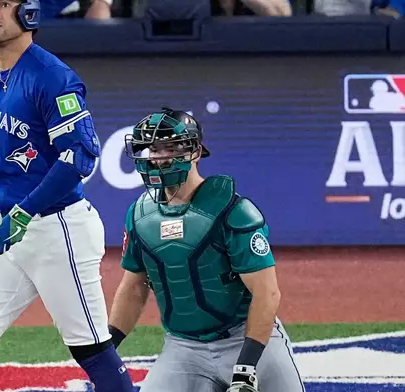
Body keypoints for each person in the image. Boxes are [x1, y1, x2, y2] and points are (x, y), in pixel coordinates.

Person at [0, 1, 134, 391]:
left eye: (4, 4)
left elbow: (80, 156)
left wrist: (25, 212)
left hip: (59, 230)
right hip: (10, 234)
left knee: (90, 348)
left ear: (30, 13)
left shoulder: (52, 76)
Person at [107, 107, 305, 392]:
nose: (159, 156)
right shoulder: (139, 215)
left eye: (170, 146)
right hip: (184, 348)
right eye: (152, 148)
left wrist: (247, 366)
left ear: (195, 152)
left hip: (246, 340)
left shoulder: (234, 211)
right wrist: (106, 349)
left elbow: (267, 292)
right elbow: (134, 287)